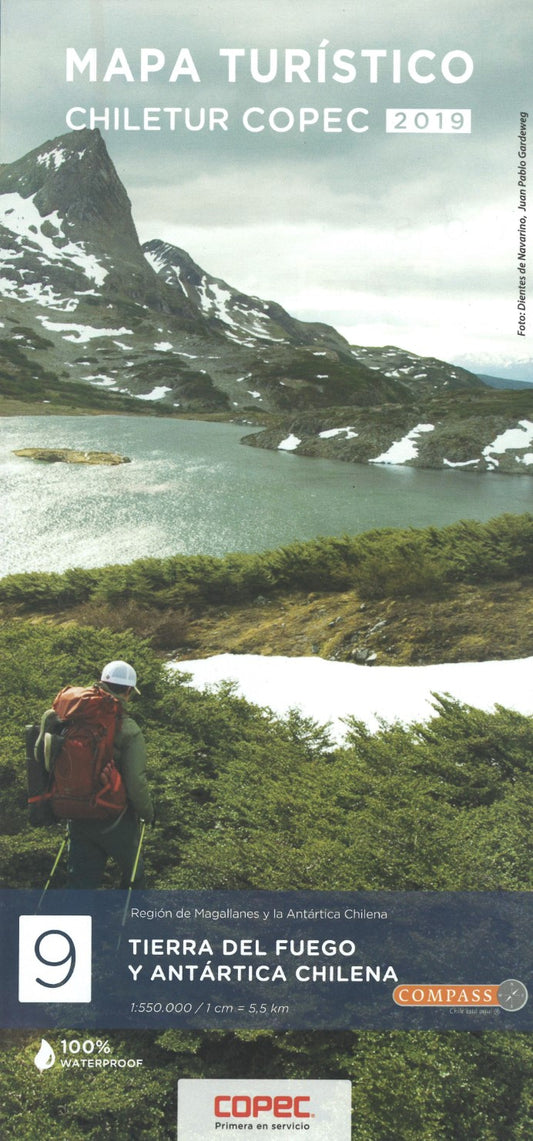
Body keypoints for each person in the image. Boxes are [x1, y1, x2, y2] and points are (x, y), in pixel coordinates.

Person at [67, 660, 155, 889]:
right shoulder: (128, 728)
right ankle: (132, 922)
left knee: (80, 883)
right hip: (115, 817)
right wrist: (147, 812)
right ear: (127, 691)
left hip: (75, 811)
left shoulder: (71, 715)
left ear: (102, 682)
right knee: (135, 877)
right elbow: (136, 781)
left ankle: (77, 923)